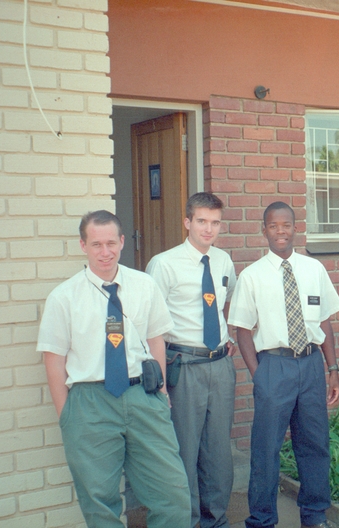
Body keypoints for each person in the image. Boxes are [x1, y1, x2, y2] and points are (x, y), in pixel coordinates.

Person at [37, 210, 190, 527]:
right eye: (96, 244)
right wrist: (67, 414)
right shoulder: (63, 297)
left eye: (110, 243)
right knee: (99, 502)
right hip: (89, 404)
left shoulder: (144, 285)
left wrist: (161, 392)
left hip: (142, 396)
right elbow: (54, 359)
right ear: (83, 245)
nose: (104, 252)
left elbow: (156, 339)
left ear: (122, 242)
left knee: (172, 494)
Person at [228, 201, 339, 528]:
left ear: (296, 227)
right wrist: (258, 374)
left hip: (310, 366)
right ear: (264, 230)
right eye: (273, 226)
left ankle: (314, 516)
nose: (281, 231)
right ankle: (262, 519)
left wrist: (332, 368)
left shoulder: (314, 270)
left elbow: (324, 323)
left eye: (286, 225)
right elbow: (242, 330)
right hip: (273, 366)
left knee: (315, 444)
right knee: (266, 449)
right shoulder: (251, 276)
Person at [146, 192, 238, 528]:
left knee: (218, 451)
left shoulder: (224, 260)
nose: (209, 229)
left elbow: (227, 305)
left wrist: (225, 339)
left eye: (215, 222)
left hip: (219, 365)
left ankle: (216, 519)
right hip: (183, 366)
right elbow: (148, 322)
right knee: (185, 448)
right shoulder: (163, 264)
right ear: (187, 222)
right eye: (202, 221)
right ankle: (187, 519)